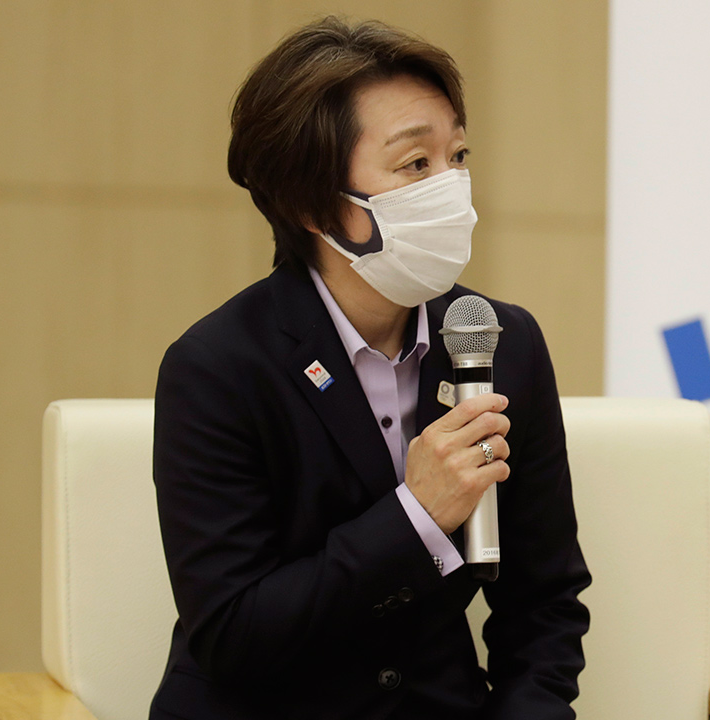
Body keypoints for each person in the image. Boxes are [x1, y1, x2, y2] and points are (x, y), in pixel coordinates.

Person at [148, 17, 591, 719]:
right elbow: (232, 634)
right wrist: (417, 515)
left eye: (458, 156)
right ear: (315, 204)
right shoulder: (218, 368)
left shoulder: (502, 343)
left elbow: (543, 607)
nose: (450, 188)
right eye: (416, 166)